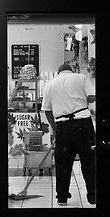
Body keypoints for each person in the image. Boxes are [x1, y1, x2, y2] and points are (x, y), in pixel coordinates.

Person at [42, 63, 96, 205]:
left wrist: (55, 127)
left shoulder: (50, 84)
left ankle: (62, 197)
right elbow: (92, 97)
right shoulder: (81, 78)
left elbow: (47, 110)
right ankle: (93, 195)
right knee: (89, 161)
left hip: (62, 127)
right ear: (71, 71)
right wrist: (80, 98)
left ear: (59, 72)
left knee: (63, 163)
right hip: (83, 124)